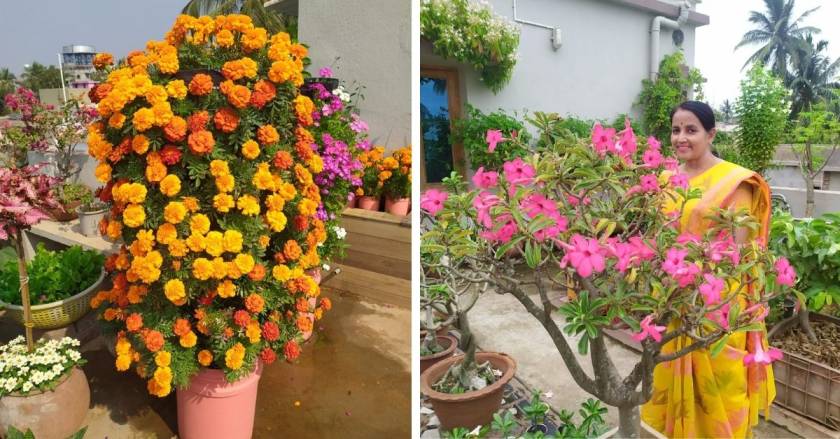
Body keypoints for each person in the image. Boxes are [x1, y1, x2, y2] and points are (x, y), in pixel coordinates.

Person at [640, 101, 776, 438]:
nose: (681, 138)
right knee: (668, 376)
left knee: (722, 389)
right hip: (671, 297)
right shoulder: (665, 178)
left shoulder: (735, 181)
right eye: (675, 130)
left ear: (710, 134)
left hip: (717, 303)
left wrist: (698, 283)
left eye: (691, 130)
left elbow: (738, 250)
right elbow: (656, 235)